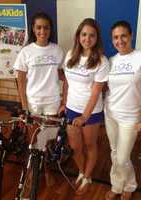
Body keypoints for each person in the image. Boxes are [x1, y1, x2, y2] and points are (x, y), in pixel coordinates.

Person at [13, 11, 64, 186]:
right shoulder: (26, 52)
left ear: (50, 30)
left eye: (46, 27)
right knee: (34, 139)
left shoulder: (57, 50)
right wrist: (24, 105)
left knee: (48, 139)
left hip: (52, 101)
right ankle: (34, 170)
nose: (43, 31)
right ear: (33, 29)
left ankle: (47, 168)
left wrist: (65, 99)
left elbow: (63, 75)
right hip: (33, 102)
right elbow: (20, 80)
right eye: (39, 27)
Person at [60, 18, 109, 195]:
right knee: (75, 147)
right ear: (78, 36)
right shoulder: (70, 55)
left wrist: (84, 117)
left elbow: (96, 93)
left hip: (91, 113)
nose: (87, 38)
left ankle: (87, 176)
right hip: (72, 108)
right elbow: (66, 82)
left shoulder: (101, 61)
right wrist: (64, 102)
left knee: (90, 145)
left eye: (92, 35)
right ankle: (81, 171)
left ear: (97, 38)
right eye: (84, 34)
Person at [104, 20, 141, 200]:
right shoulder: (111, 61)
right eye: (116, 38)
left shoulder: (140, 58)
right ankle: (117, 185)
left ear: (131, 35)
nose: (120, 41)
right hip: (110, 113)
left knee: (122, 157)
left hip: (131, 117)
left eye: (123, 36)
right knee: (114, 152)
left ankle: (131, 184)